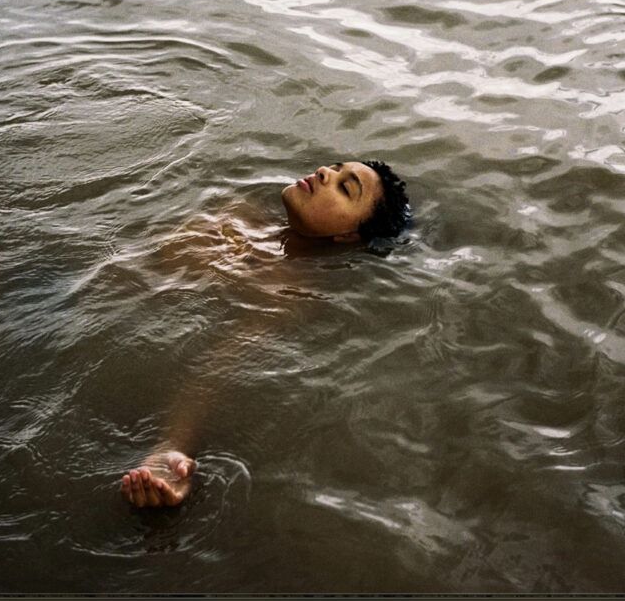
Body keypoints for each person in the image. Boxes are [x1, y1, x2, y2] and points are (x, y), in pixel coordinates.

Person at [120, 160, 410, 508]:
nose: (324, 172)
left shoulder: (287, 293)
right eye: (334, 167)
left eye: (345, 187)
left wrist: (171, 444)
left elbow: (219, 365)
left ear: (349, 235)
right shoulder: (242, 214)